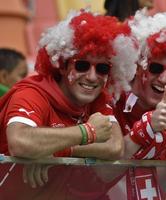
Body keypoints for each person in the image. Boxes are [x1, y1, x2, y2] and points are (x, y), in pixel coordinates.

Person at [0, 9, 138, 199]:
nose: (92, 77)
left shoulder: (98, 98)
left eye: (102, 68)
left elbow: (115, 147)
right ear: (63, 66)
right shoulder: (32, 93)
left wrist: (52, 149)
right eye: (82, 65)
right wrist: (87, 132)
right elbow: (20, 142)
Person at [96, 10, 166, 200]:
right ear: (139, 66)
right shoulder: (111, 99)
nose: (164, 79)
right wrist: (144, 130)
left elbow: (156, 187)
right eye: (156, 68)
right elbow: (100, 176)